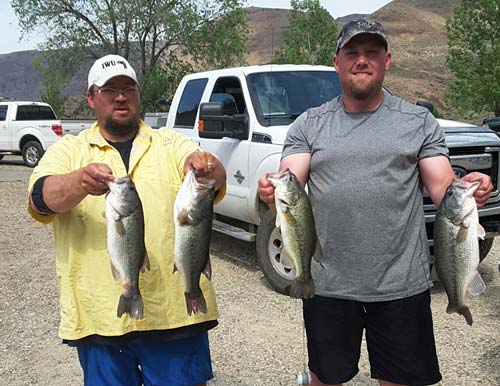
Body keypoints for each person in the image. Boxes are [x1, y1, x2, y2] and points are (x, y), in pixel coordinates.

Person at [258, 19, 493, 386]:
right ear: (337, 62)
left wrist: (470, 186)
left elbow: (444, 186)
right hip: (328, 283)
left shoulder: (418, 122)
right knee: (327, 378)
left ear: (387, 61)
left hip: (400, 283)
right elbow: (291, 175)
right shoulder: (309, 124)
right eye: (352, 53)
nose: (361, 60)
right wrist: (273, 190)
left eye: (371, 53)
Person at [28, 54, 226, 386]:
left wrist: (206, 165)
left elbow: (215, 178)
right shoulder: (69, 149)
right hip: (100, 319)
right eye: (110, 90)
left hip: (173, 317)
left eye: (128, 88)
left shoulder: (170, 141)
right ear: (91, 98)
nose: (121, 97)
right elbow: (39, 199)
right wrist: (77, 182)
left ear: (138, 95)